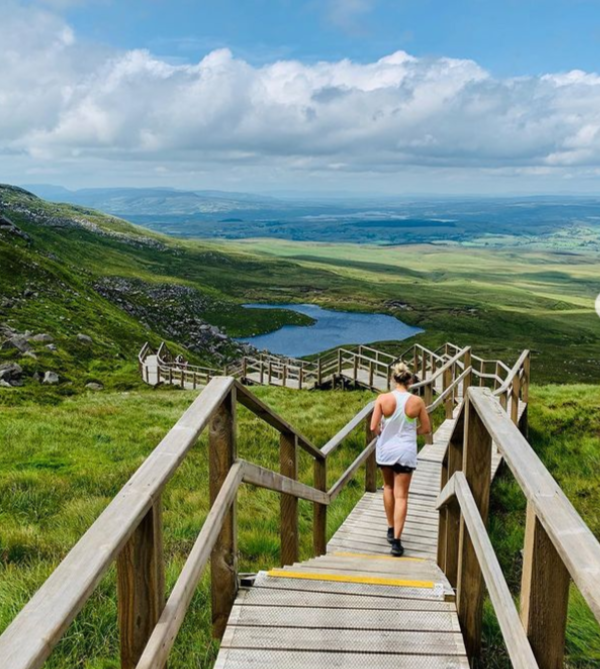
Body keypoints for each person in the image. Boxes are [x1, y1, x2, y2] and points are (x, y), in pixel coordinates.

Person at [370, 362, 431, 557]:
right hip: (406, 451)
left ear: (393, 379)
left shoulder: (382, 399)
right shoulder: (417, 402)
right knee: (402, 495)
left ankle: (389, 527)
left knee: (387, 488)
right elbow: (426, 428)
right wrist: (411, 432)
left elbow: (373, 427)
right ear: (410, 380)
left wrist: (383, 433)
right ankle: (396, 541)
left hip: (386, 450)